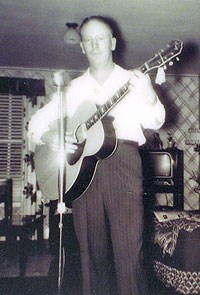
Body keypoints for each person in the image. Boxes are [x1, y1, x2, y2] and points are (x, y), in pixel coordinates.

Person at [28, 16, 165, 295]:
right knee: (91, 257)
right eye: (88, 39)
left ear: (113, 43)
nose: (94, 44)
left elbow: (157, 120)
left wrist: (149, 95)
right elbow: (36, 125)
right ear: (81, 47)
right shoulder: (73, 89)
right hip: (83, 175)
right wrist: (50, 137)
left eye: (100, 37)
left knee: (130, 255)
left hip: (124, 164)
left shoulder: (133, 80)